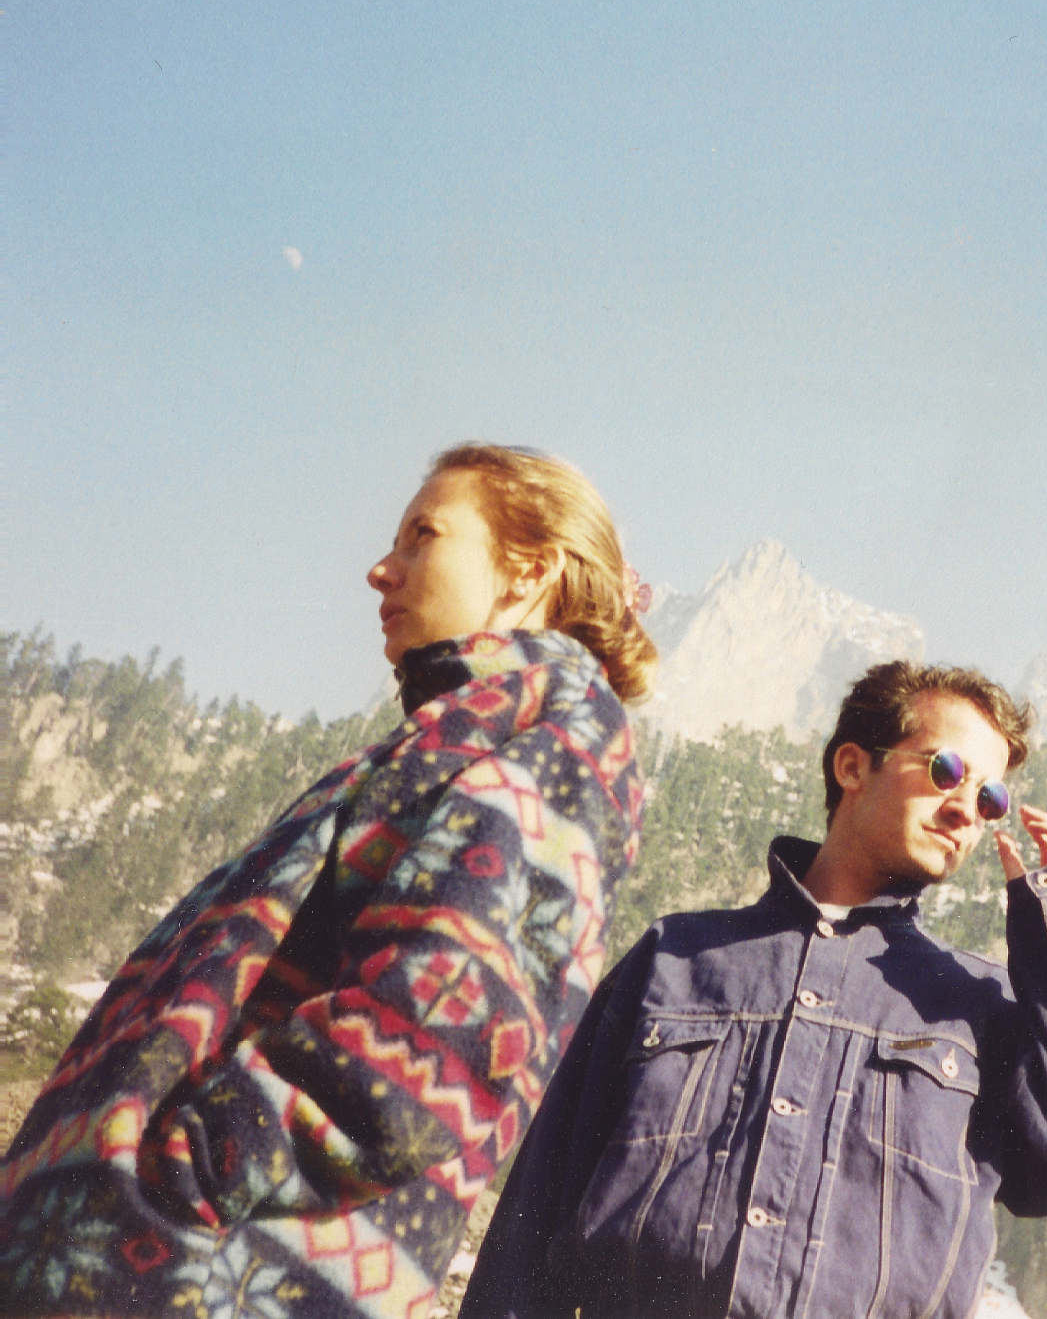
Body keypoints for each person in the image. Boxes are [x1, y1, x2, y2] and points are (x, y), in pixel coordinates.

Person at [1, 444, 657, 1318]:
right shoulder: (460, 727)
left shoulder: (558, 725)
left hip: (191, 1278)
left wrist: (188, 1169)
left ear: (527, 571)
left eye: (423, 535)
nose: (381, 568)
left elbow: (440, 1032)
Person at [462, 660, 1047, 1319]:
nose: (967, 810)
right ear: (853, 765)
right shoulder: (671, 959)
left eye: (989, 798)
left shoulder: (974, 1007)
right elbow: (535, 1219)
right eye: (947, 771)